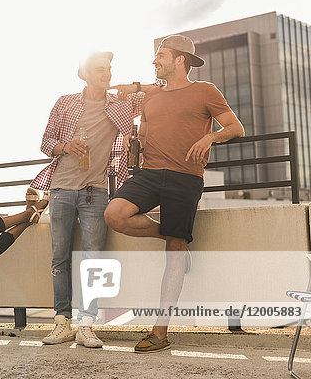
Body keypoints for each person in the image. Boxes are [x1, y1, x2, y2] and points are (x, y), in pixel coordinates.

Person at [104, 35, 245, 353]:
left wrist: (210, 137)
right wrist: (135, 141)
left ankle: (160, 331)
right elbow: (143, 123)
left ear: (180, 60)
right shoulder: (151, 96)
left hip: (185, 178)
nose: (155, 60)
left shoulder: (205, 91)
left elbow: (236, 128)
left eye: (160, 56)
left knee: (174, 253)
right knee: (114, 214)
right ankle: (172, 235)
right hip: (149, 174)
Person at [30, 51, 145, 348]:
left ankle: (87, 324)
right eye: (99, 69)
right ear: (84, 73)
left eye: (108, 69)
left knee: (94, 260)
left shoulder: (121, 103)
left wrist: (132, 86)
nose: (106, 74)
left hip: (97, 191)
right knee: (60, 257)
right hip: (61, 189)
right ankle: (61, 322)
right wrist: (66, 146)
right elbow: (45, 143)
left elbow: (156, 92)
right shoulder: (65, 102)